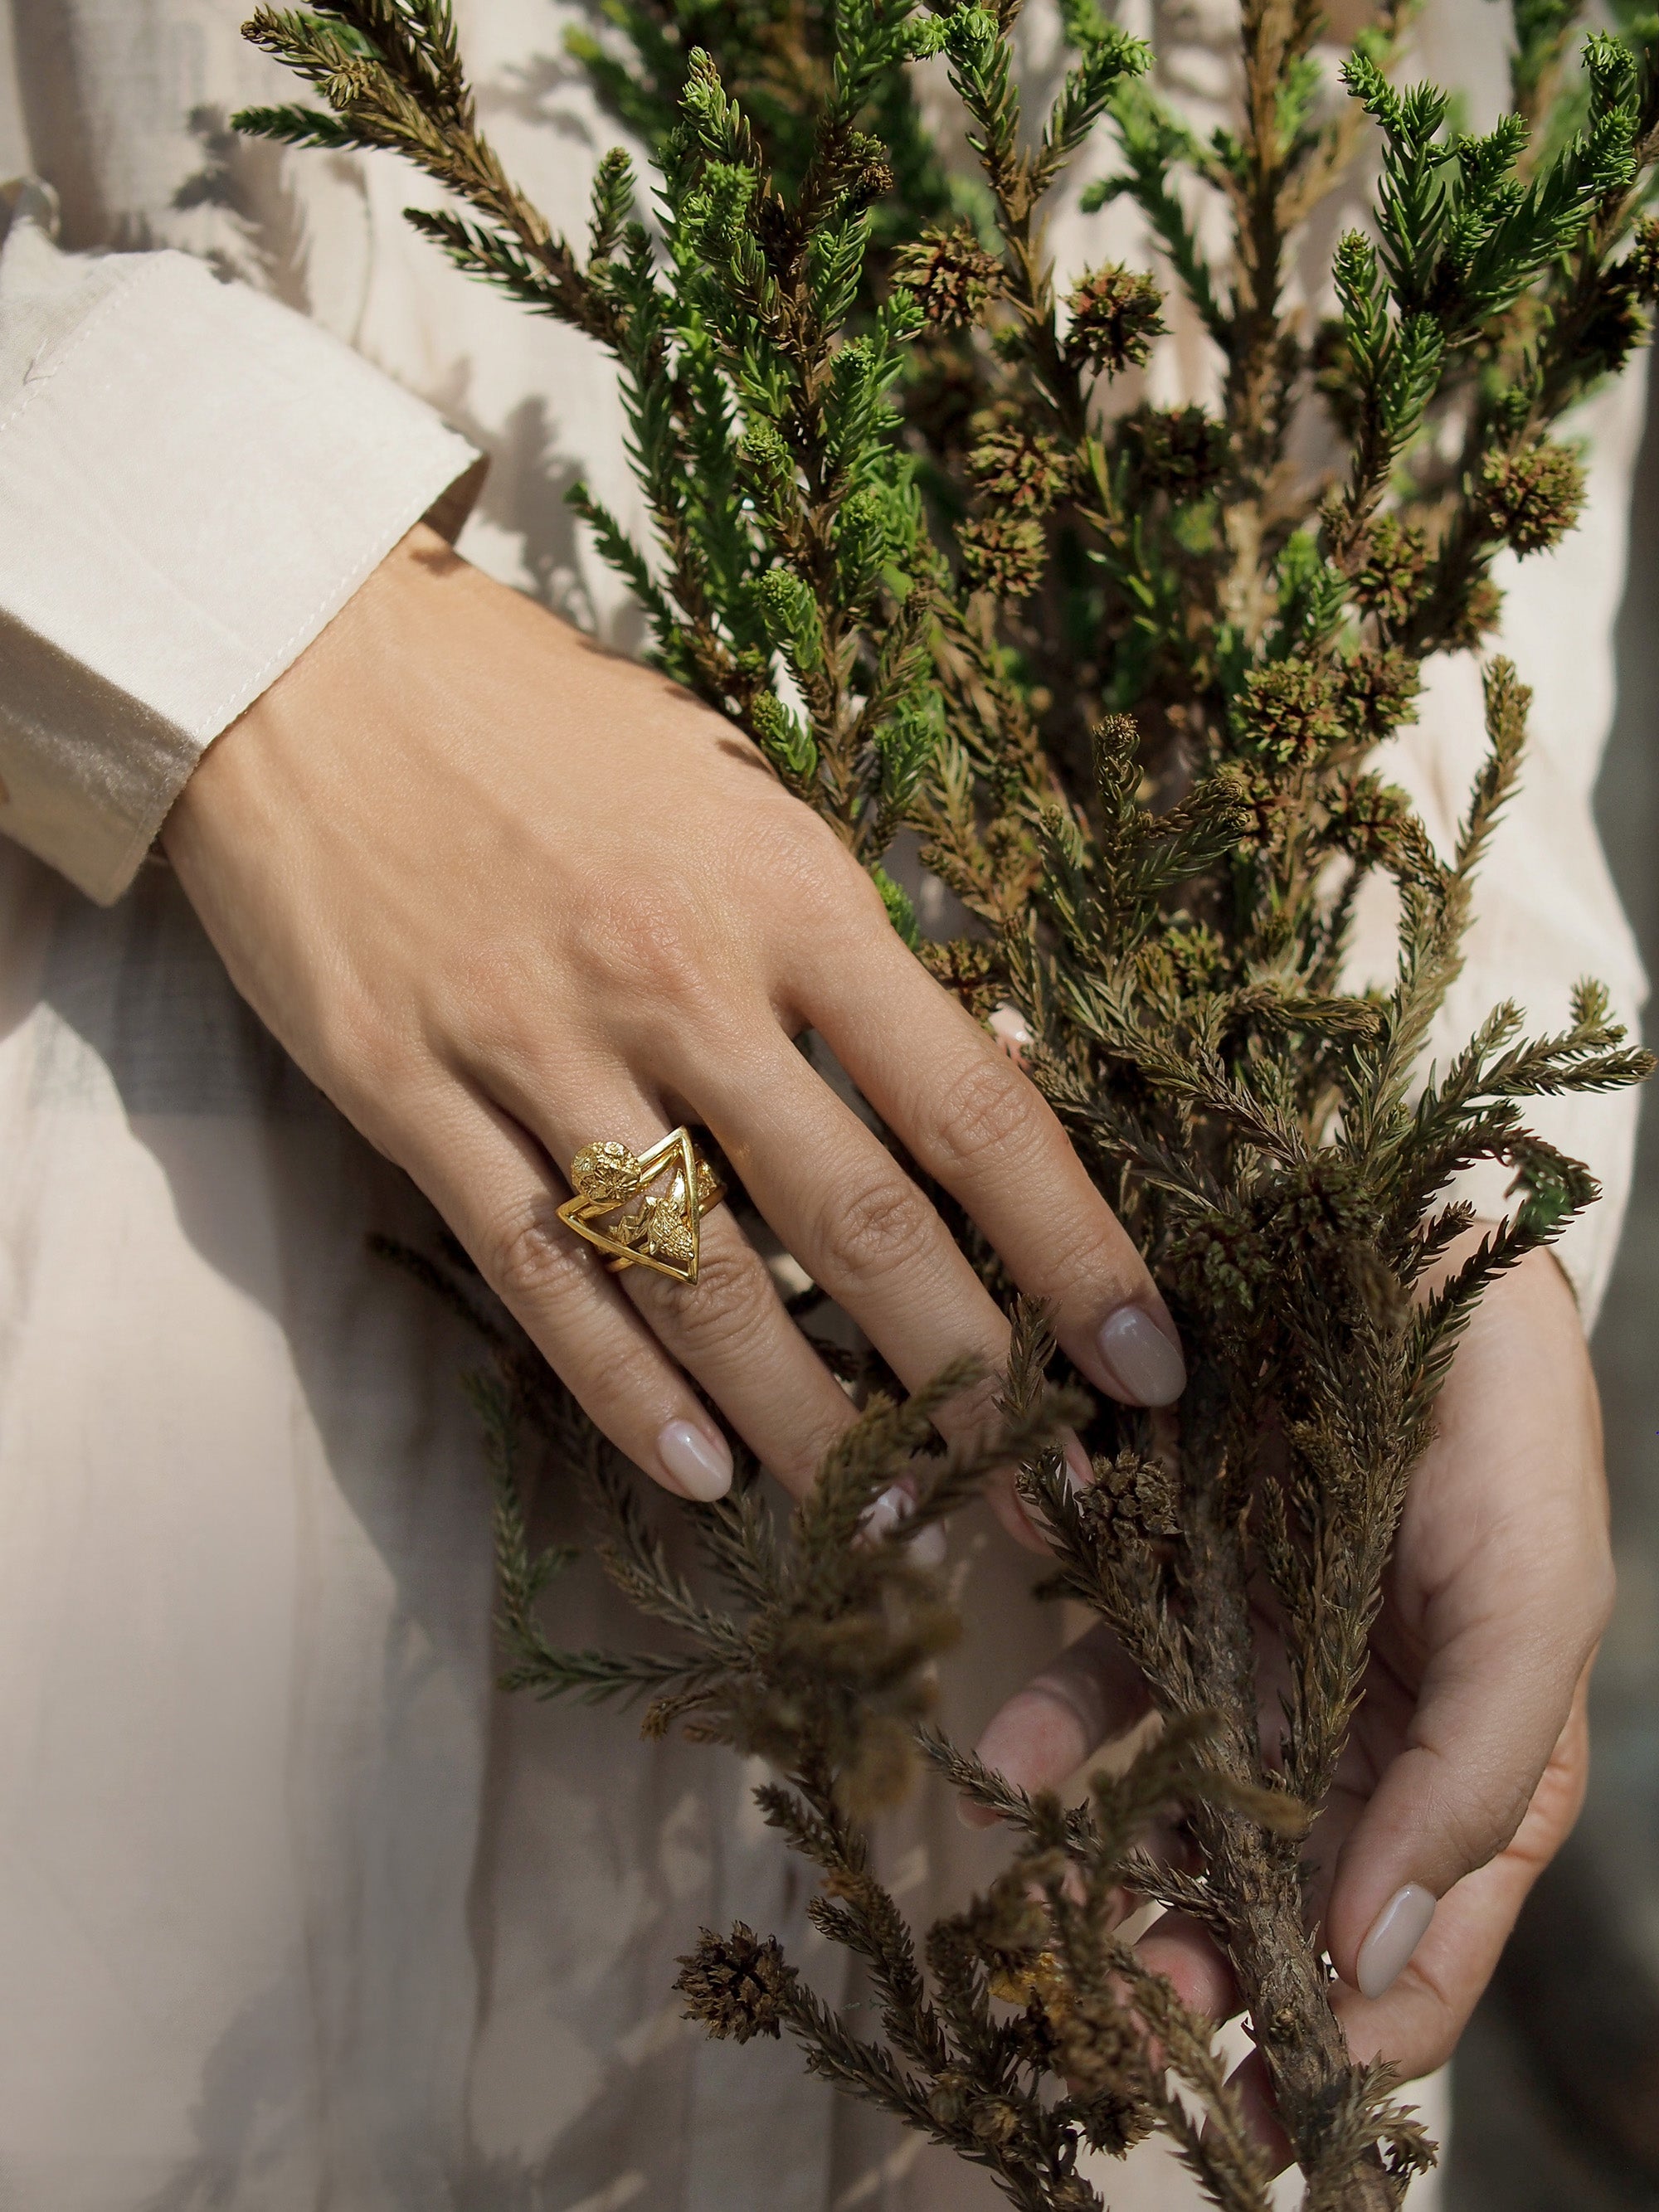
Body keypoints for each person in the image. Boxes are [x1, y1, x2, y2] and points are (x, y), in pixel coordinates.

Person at [0, 2, 1642, 2206]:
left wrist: (1395, 1180)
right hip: (172, 1304)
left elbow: (1465, 386)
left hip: (1136, 1566)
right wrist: (238, 611)